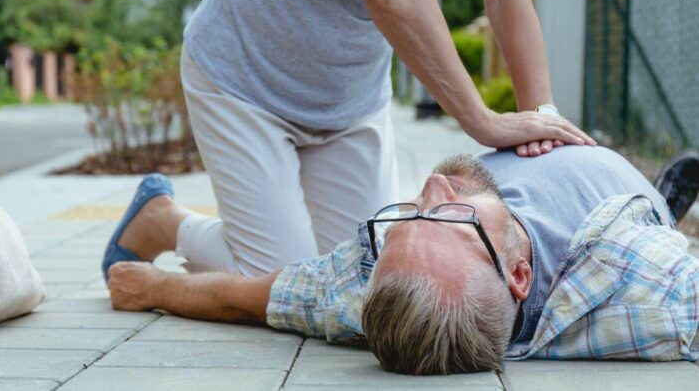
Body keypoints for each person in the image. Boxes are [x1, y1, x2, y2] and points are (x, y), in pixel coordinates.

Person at [101, 0, 596, 279]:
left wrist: (541, 122)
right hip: (243, 80)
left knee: (367, 273)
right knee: (277, 276)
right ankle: (161, 220)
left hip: (350, 99)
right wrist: (481, 120)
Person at [105, 146, 699, 375]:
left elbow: (255, 297)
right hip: (616, 192)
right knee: (655, 212)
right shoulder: (645, 282)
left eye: (408, 216)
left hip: (530, 143)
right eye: (448, 218)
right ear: (518, 275)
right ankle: (664, 202)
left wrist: (155, 288)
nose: (436, 187)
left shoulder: (353, 293)